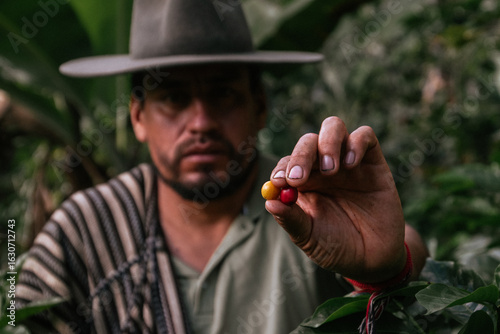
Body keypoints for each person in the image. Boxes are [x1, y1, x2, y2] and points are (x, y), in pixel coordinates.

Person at [16, 0, 429, 333]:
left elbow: (404, 250)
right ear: (138, 117)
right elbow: (22, 317)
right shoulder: (86, 228)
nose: (201, 123)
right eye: (174, 99)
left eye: (224, 96)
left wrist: (385, 267)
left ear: (260, 107)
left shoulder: (311, 203)